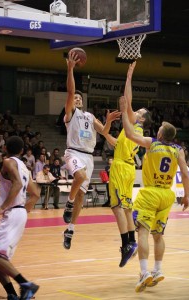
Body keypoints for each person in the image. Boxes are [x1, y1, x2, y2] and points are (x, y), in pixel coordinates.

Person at [121, 96, 189, 293]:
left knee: (142, 231)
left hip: (150, 193)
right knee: (158, 235)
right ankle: (157, 270)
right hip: (167, 195)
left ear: (161, 133)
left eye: (159, 129)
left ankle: (144, 272)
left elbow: (128, 133)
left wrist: (126, 113)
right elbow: (185, 173)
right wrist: (186, 196)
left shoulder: (152, 143)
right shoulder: (179, 150)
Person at [62, 50, 121, 250]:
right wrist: (70, 69)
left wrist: (109, 122)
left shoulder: (88, 116)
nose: (77, 99)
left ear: (83, 101)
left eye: (79, 98)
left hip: (88, 157)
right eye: (75, 98)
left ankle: (70, 229)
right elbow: (71, 92)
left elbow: (103, 131)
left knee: (81, 196)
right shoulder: (70, 114)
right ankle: (68, 204)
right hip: (73, 152)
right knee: (78, 178)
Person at [103, 62, 152, 268]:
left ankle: (128, 243)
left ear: (141, 118)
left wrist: (129, 76)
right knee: (116, 207)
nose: (135, 110)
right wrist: (104, 129)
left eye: (138, 110)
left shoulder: (134, 123)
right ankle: (128, 242)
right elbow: (114, 143)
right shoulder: (130, 131)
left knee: (122, 207)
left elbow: (128, 100)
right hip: (120, 166)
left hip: (123, 168)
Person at [0, 136, 40, 300]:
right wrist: (23, 211)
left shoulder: (7, 162)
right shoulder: (24, 167)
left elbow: (17, 184)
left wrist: (2, 208)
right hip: (17, 212)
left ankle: (26, 285)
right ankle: (11, 294)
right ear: (22, 151)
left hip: (12, 212)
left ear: (5, 148)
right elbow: (36, 194)